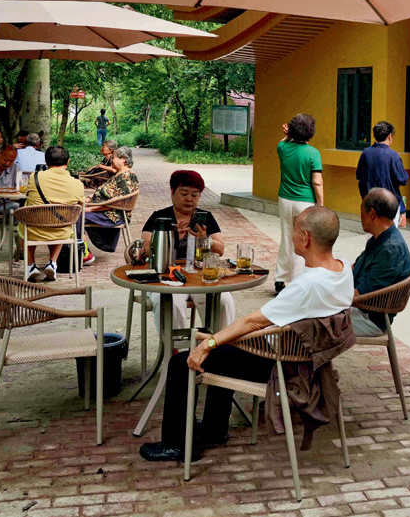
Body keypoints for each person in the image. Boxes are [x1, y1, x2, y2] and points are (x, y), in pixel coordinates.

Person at [139, 206, 353, 464]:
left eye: (295, 231)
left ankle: (176, 445)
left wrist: (207, 344)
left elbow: (252, 322)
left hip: (279, 364)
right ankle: (214, 429)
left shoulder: (308, 285)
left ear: (305, 238)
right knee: (224, 346)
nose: (292, 236)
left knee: (181, 362)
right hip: (308, 361)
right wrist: (218, 340)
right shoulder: (343, 270)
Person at [139, 169, 231, 327]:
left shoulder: (205, 217)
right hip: (166, 276)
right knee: (168, 302)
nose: (189, 199)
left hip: (200, 277)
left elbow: (220, 250)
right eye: (184, 193)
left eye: (195, 195)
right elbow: (145, 249)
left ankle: (219, 340)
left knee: (222, 300)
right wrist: (172, 238)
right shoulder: (159, 218)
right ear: (172, 192)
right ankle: (173, 343)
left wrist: (204, 240)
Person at [351, 189, 410, 336]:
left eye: (361, 211)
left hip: (369, 318)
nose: (360, 217)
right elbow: (355, 267)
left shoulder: (390, 249)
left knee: (310, 321)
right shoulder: (379, 238)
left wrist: (328, 296)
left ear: (372, 214)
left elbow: (360, 295)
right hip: (359, 307)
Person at [19, 145, 85, 283]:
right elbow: (81, 206)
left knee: (23, 224)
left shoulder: (35, 177)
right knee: (62, 222)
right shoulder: (77, 184)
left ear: (46, 162)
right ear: (68, 162)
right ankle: (53, 263)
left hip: (34, 230)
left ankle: (31, 265)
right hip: (61, 232)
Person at [277, 113, 324, 295]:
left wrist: (289, 136)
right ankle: (298, 280)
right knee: (304, 241)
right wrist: (320, 206)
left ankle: (280, 278)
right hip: (305, 201)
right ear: (311, 132)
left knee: (286, 237)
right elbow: (317, 182)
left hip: (285, 199)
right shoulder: (313, 153)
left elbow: (283, 142)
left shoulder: (282, 147)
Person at [84, 146, 139, 255]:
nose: (111, 160)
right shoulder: (118, 173)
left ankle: (82, 252)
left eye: (114, 157)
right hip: (104, 210)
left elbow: (117, 202)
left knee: (76, 216)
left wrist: (91, 209)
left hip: (112, 215)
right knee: (75, 212)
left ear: (123, 159)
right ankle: (77, 250)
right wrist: (91, 196)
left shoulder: (127, 177)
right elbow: (105, 189)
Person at [355, 121, 408, 226]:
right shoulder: (393, 155)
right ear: (390, 136)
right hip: (389, 204)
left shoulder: (365, 153)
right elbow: (402, 179)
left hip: (370, 203)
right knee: (388, 233)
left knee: (373, 232)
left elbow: (360, 177)